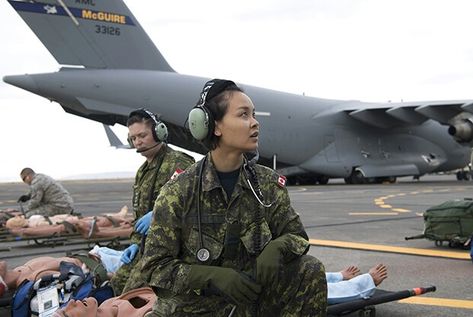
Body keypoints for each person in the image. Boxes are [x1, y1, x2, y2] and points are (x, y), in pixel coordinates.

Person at [133, 79, 327, 316]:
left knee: (309, 269)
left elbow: (297, 236)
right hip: (194, 309)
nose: (255, 123)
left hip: (249, 300)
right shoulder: (179, 192)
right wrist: (211, 277)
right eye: (243, 115)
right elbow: (154, 268)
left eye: (254, 115)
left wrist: (278, 246)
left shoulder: (266, 183)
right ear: (215, 127)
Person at [111, 108, 195, 295]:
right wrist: (134, 242)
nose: (138, 142)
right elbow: (139, 213)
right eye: (133, 138)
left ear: (159, 132)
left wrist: (159, 215)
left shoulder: (178, 162)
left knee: (130, 294)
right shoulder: (143, 171)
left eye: (142, 135)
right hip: (145, 246)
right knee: (117, 283)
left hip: (170, 247)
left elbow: (194, 203)